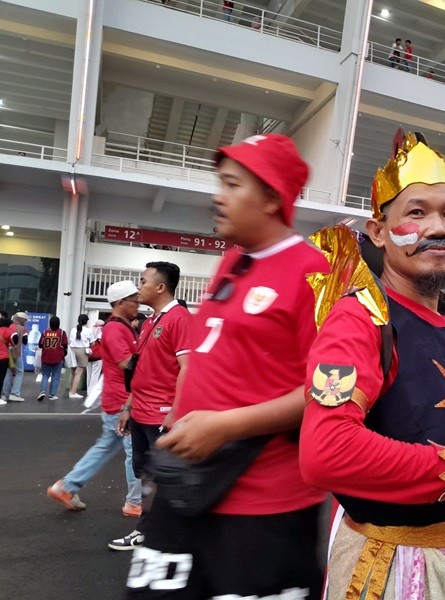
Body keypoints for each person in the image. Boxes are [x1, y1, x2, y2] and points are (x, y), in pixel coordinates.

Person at [300, 130, 445, 599]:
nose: (438, 228)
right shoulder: (360, 318)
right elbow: (326, 452)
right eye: (416, 212)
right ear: (378, 232)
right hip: (395, 569)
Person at [124, 134, 329, 598]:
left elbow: (327, 389)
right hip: (188, 488)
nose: (218, 196)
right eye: (220, 182)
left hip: (265, 505)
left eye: (233, 185)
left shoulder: (314, 273)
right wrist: (172, 440)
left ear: (274, 197)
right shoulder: (233, 263)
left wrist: (225, 426)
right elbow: (202, 357)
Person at [109, 262, 192, 552]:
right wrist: (128, 406)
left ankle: (168, 535)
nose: (138, 286)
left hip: (160, 414)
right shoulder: (149, 322)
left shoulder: (179, 318)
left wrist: (175, 411)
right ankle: (148, 530)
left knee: (164, 477)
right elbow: (142, 369)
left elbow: (187, 367)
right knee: (146, 474)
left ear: (160, 287)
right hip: (140, 412)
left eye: (143, 281)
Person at [47, 281, 142, 513]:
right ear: (120, 303)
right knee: (134, 452)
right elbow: (126, 364)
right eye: (135, 300)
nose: (138, 305)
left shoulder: (120, 326)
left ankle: (67, 486)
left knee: (106, 447)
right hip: (122, 402)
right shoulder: (116, 329)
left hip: (116, 399)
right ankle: (135, 502)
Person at [37, 317, 69, 401]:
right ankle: (52, 394)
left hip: (46, 357)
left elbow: (40, 344)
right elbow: (65, 344)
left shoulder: (44, 332)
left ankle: (42, 391)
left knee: (45, 375)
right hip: (58, 357)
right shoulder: (62, 332)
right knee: (55, 375)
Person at [1, 312, 29, 402]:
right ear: (21, 319)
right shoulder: (22, 328)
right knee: (19, 372)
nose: (25, 321)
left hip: (6, 353)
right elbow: (25, 341)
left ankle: (5, 394)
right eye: (25, 319)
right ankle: (15, 393)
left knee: (7, 373)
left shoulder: (8, 327)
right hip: (16, 353)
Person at [68, 314, 92, 399]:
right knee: (79, 373)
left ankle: (71, 391)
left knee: (72, 372)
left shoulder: (73, 330)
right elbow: (92, 342)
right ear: (86, 321)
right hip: (82, 351)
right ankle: (73, 393)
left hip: (72, 350)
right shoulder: (88, 331)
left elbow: (70, 340)